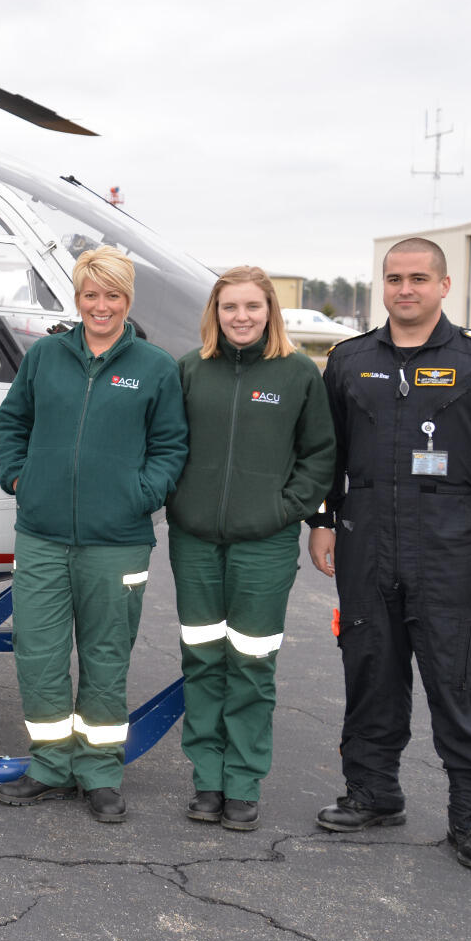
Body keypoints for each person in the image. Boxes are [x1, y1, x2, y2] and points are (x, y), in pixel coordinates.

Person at [309, 237, 471, 872]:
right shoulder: (349, 360)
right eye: (393, 278)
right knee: (370, 671)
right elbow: (325, 451)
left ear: (443, 285)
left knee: (459, 682)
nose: (404, 289)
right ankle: (373, 792)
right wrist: (325, 520)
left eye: (417, 278)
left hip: (452, 542)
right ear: (381, 286)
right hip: (367, 540)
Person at [0, 246, 187, 822]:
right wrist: (19, 476)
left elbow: (171, 446)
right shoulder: (45, 356)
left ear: (128, 300)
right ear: (77, 298)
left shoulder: (155, 367)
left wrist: (142, 495)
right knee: (40, 654)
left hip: (118, 541)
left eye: (113, 295)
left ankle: (100, 772)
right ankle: (50, 765)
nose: (101, 306)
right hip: (42, 535)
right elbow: (13, 421)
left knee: (106, 658)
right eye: (90, 294)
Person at [166, 267, 335, 831]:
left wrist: (284, 511)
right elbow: (166, 444)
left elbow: (319, 455)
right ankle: (207, 781)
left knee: (252, 664)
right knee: (203, 660)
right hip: (194, 542)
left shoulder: (298, 373)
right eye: (230, 307)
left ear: (271, 312)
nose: (242, 317)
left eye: (253, 307)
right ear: (215, 312)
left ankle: (242, 783)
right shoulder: (190, 370)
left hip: (264, 544)